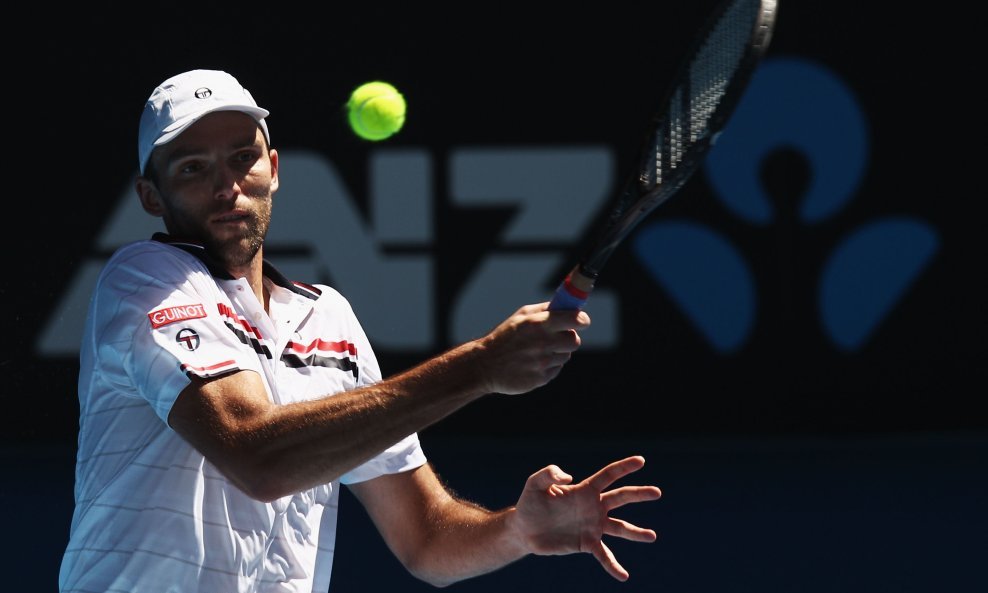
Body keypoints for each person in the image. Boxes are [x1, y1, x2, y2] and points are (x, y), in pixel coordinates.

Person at [58, 68, 662, 592]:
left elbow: (426, 541)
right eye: (193, 168)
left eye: (242, 157)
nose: (227, 186)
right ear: (150, 197)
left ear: (273, 167)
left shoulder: (329, 319)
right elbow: (257, 455)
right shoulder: (142, 280)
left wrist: (517, 530)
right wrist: (479, 367)